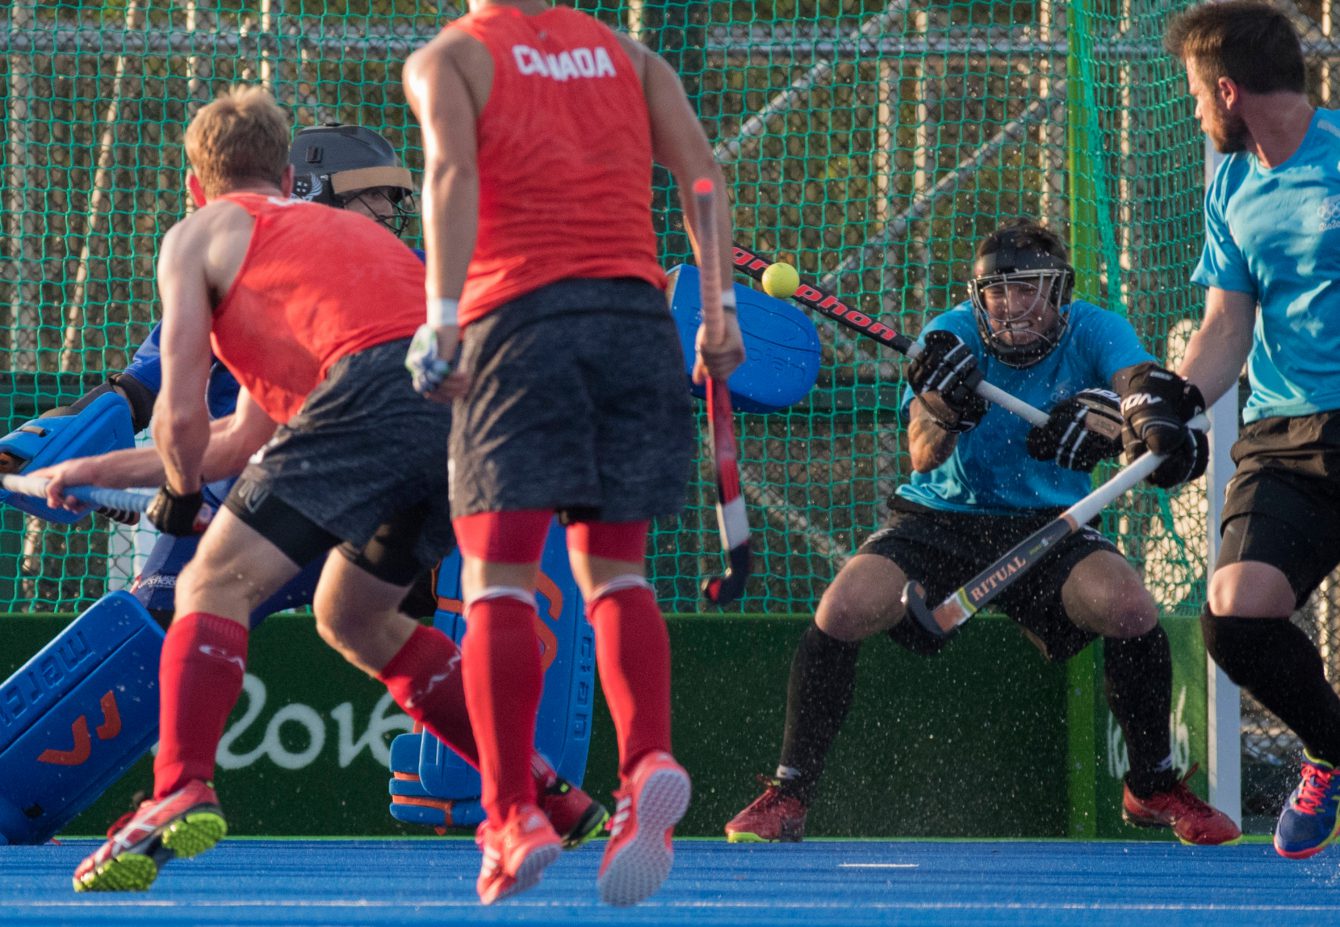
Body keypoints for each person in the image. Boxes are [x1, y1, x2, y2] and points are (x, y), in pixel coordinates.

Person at [40, 86, 603, 893]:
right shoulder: (338, 239)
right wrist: (85, 470)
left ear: (197, 183)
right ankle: (543, 791)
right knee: (354, 615)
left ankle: (177, 789)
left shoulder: (198, 232)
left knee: (212, 581)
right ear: (283, 169)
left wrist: (174, 492)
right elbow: (244, 438)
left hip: (370, 388)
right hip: (465, 408)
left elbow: (183, 412)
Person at [723, 219, 1239, 847]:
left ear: (1058, 293)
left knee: (1130, 606)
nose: (1010, 306)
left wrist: (1117, 417)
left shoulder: (1097, 330)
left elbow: (1137, 390)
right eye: (996, 292)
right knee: (843, 607)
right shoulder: (950, 334)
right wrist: (944, 411)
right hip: (941, 519)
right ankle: (790, 794)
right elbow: (921, 456)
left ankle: (1152, 785)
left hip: (1053, 525)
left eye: (1026, 290)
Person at [402, 0, 744, 905]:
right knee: (617, 575)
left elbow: (449, 173)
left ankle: (512, 810)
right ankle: (646, 766)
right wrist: (719, 311)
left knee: (498, 582)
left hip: (520, 325)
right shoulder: (628, 57)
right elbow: (702, 176)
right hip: (635, 322)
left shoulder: (453, 57)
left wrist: (441, 319)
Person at [1149, 1, 1340, 860]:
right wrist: (1177, 397)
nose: (1194, 111)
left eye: (1195, 94)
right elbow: (1227, 321)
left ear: (1227, 89)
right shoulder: (1231, 182)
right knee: (1233, 614)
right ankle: (1332, 748)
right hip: (1282, 433)